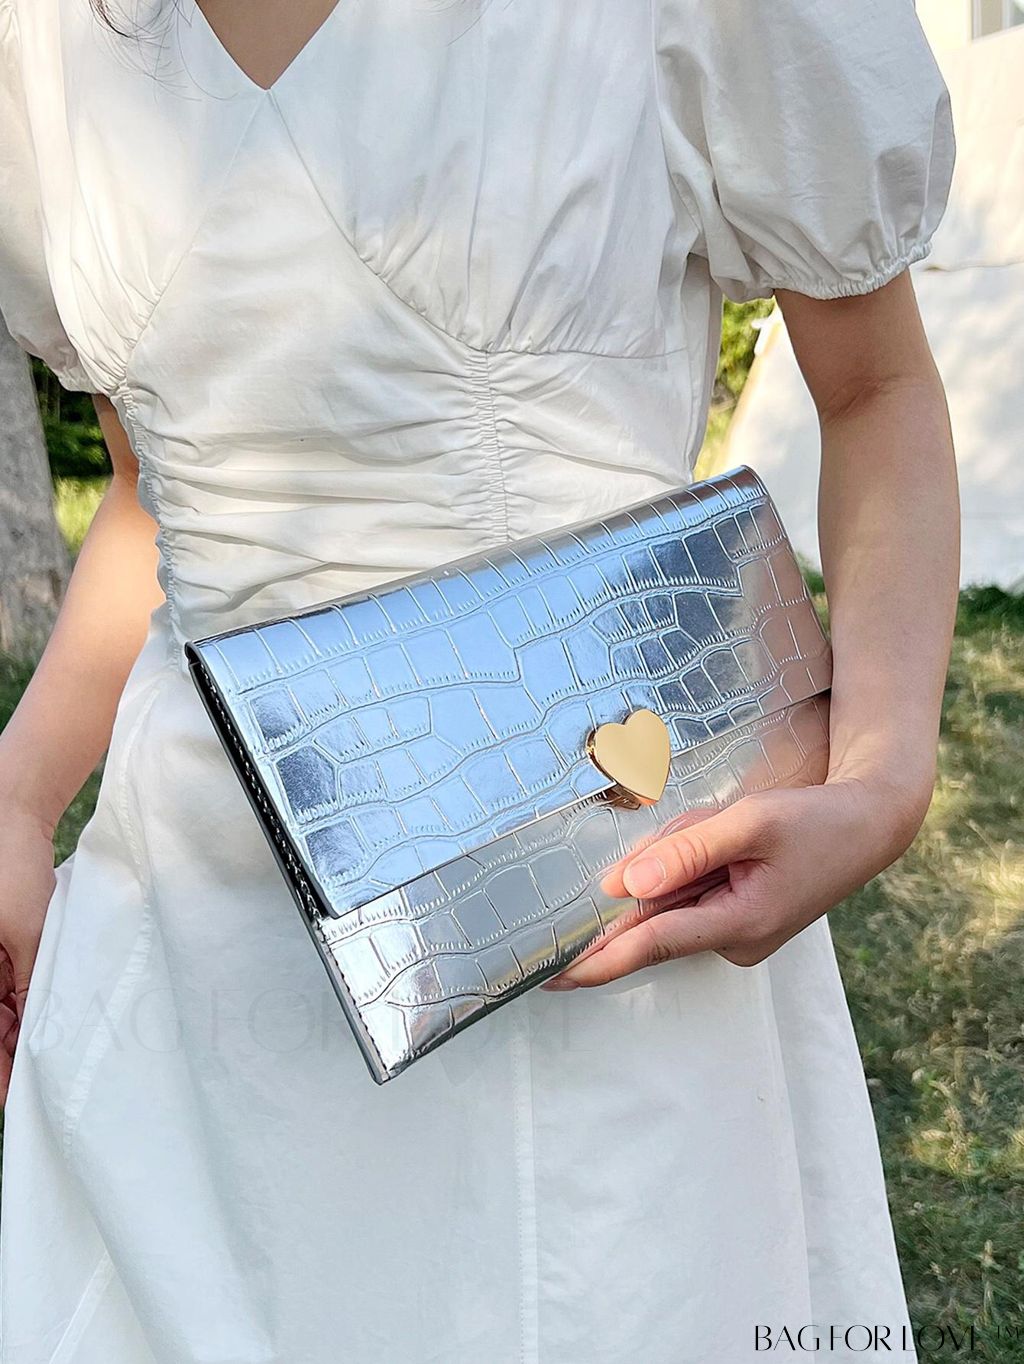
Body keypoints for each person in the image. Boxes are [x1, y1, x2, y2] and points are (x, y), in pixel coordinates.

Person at [0, 1, 959, 1360]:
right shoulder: (43, 39)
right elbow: (161, 496)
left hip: (579, 915)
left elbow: (876, 390)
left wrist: (883, 776)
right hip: (180, 964)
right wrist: (19, 796)